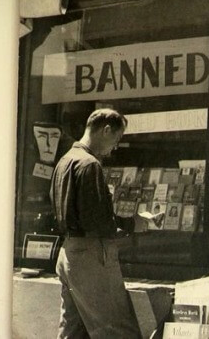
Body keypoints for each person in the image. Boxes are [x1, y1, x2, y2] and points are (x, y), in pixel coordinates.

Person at [50, 108, 142, 339]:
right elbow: (99, 222)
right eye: (117, 139)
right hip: (92, 256)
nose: (115, 147)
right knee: (118, 329)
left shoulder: (65, 161)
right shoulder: (90, 164)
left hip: (69, 253)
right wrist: (132, 224)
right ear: (106, 130)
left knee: (72, 330)